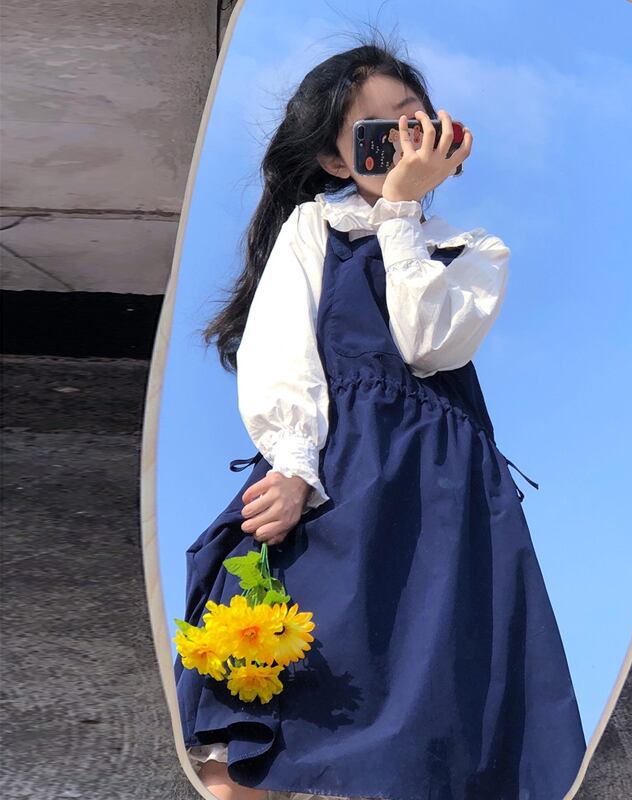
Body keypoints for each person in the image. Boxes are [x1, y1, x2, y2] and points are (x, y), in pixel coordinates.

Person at [174, 35, 586, 800]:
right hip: (330, 472)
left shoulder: (474, 251)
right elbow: (280, 348)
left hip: (444, 499)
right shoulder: (313, 230)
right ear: (335, 160)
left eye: (414, 119)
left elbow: (428, 344)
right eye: (377, 129)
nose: (402, 138)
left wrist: (399, 212)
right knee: (260, 726)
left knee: (431, 726)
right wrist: (291, 466)